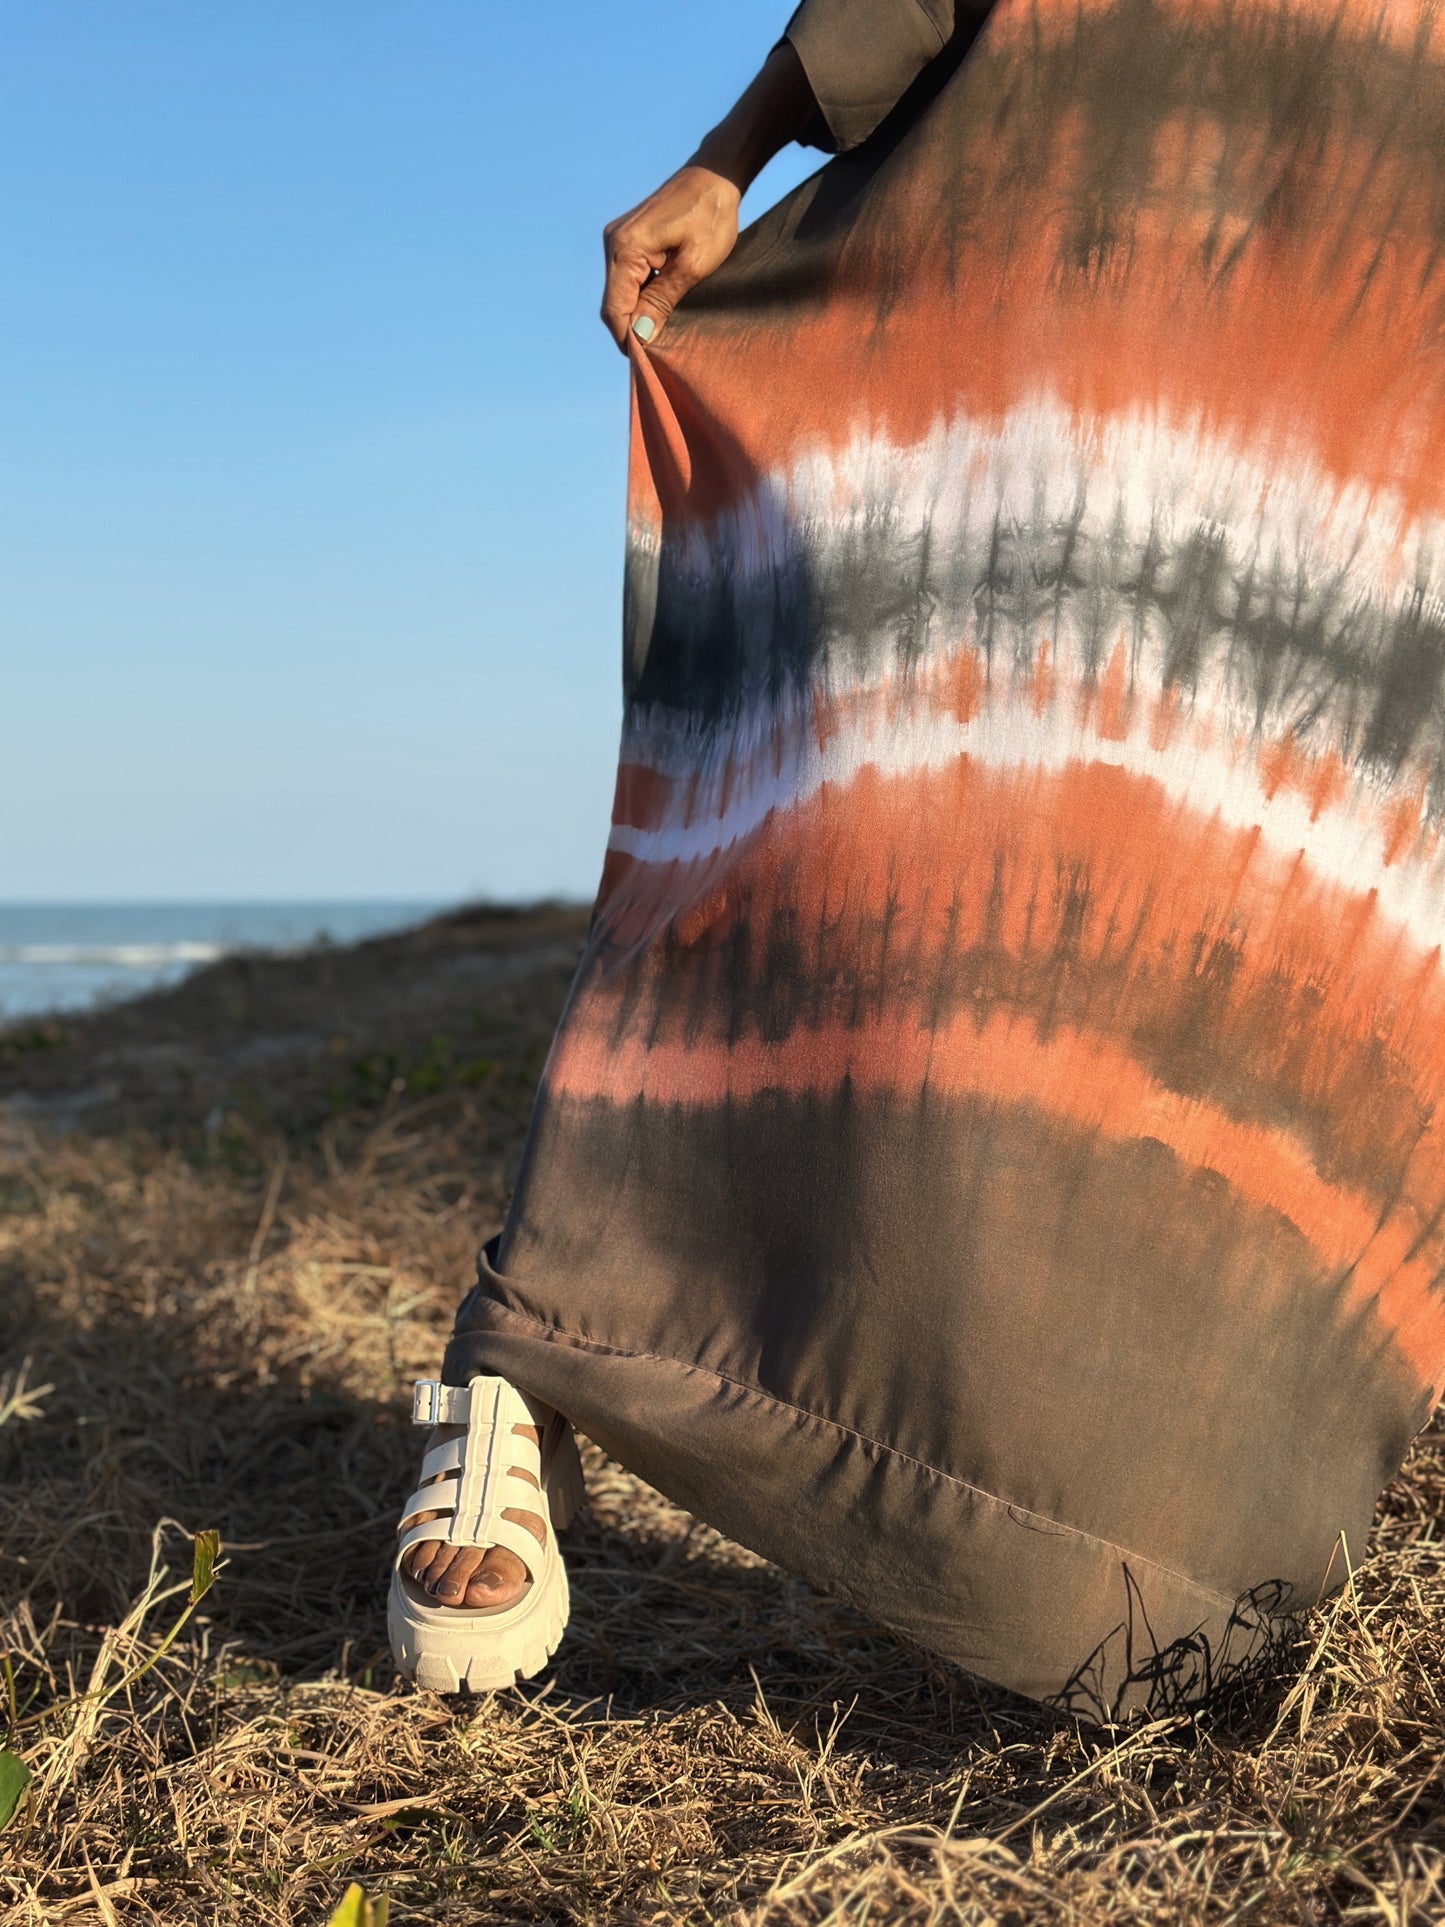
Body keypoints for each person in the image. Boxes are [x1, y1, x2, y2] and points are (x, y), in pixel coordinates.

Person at [390, 0, 1445, 1719]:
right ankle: (536, 1355)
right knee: (864, 768)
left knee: (1304, 909)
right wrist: (735, 153)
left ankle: (1142, 1547)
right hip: (1074, 185)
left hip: (1395, 279)